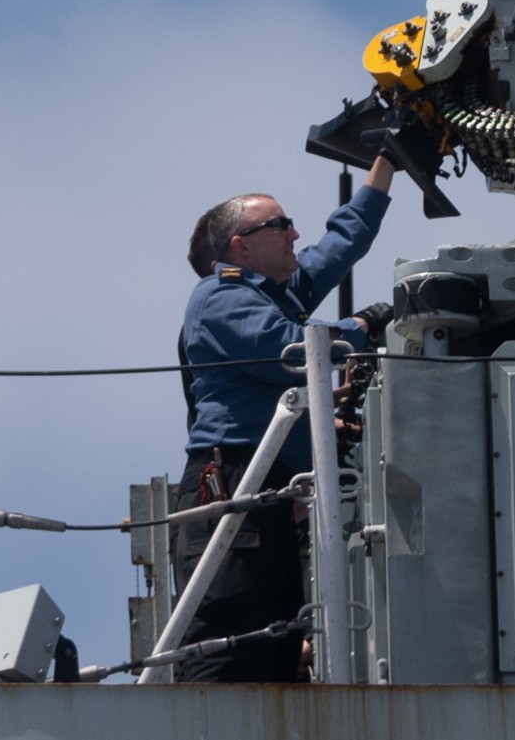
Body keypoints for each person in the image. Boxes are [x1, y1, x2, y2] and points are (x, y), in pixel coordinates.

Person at [174, 157, 397, 682]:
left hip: (268, 498)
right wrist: (361, 324)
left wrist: (387, 166)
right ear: (240, 246)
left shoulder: (272, 295)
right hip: (231, 489)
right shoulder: (221, 297)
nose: (294, 233)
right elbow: (291, 351)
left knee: (276, 646)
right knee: (226, 647)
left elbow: (341, 244)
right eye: (279, 225)